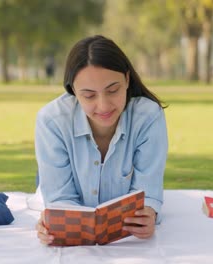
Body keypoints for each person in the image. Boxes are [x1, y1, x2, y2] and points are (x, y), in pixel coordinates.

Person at [34, 35, 168, 245]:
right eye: (89, 95)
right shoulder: (51, 121)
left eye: (113, 90)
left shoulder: (149, 116)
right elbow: (60, 198)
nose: (104, 106)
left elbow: (148, 191)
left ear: (127, 79)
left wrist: (148, 214)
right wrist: (56, 220)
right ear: (73, 92)